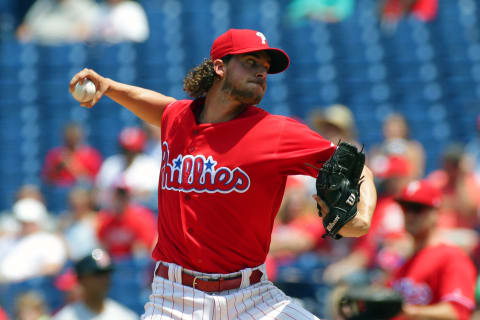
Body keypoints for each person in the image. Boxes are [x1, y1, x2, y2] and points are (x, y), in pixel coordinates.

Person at [69, 28, 377, 319]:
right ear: (219, 67)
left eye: (265, 67)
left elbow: (356, 165)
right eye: (250, 62)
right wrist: (110, 87)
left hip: (252, 297)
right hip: (175, 299)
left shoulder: (275, 133)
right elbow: (163, 109)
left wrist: (362, 216)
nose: (261, 72)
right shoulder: (179, 118)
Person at [390, 179, 476, 320]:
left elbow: (457, 313)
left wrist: (409, 312)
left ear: (436, 213)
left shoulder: (452, 257)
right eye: (405, 207)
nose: (409, 215)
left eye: (417, 208)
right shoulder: (404, 262)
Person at [51, 248, 139, 320]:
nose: (104, 279)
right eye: (98, 274)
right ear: (82, 279)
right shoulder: (65, 317)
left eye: (107, 273)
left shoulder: (125, 316)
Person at [0, 198, 67, 283]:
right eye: (21, 222)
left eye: (27, 222)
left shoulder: (49, 241)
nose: (24, 225)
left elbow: (53, 267)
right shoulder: (9, 239)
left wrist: (26, 280)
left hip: (30, 286)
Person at [95, 126, 159, 209]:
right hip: (113, 211)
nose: (128, 153)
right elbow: (99, 191)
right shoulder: (111, 164)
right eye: (125, 150)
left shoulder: (149, 165)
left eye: (132, 150)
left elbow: (152, 195)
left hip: (140, 213)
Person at [97, 183, 157, 259]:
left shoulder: (141, 217)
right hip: (113, 262)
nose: (119, 201)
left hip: (133, 263)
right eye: (116, 197)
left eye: (122, 197)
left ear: (128, 198)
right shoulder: (105, 220)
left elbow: (144, 247)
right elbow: (102, 245)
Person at [42, 123, 103, 187]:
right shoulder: (55, 154)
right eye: (69, 135)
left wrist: (71, 164)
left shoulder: (91, 155)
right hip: (60, 189)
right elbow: (47, 179)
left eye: (74, 135)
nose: (72, 138)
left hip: (82, 190)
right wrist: (58, 167)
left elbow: (94, 180)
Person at [16, 0, 98, 44]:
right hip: (42, 56)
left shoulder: (85, 6)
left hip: (70, 58)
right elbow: (23, 31)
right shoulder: (42, 5)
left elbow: (84, 33)